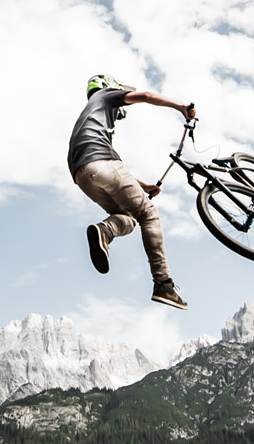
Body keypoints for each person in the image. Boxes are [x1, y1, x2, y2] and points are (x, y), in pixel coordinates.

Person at [67, 74, 196, 310]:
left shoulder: (90, 118)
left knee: (129, 218)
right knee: (149, 215)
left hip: (82, 175)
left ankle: (105, 231)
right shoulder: (105, 96)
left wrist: (143, 186)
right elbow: (145, 96)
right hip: (102, 164)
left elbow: (100, 165)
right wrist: (181, 108)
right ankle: (163, 284)